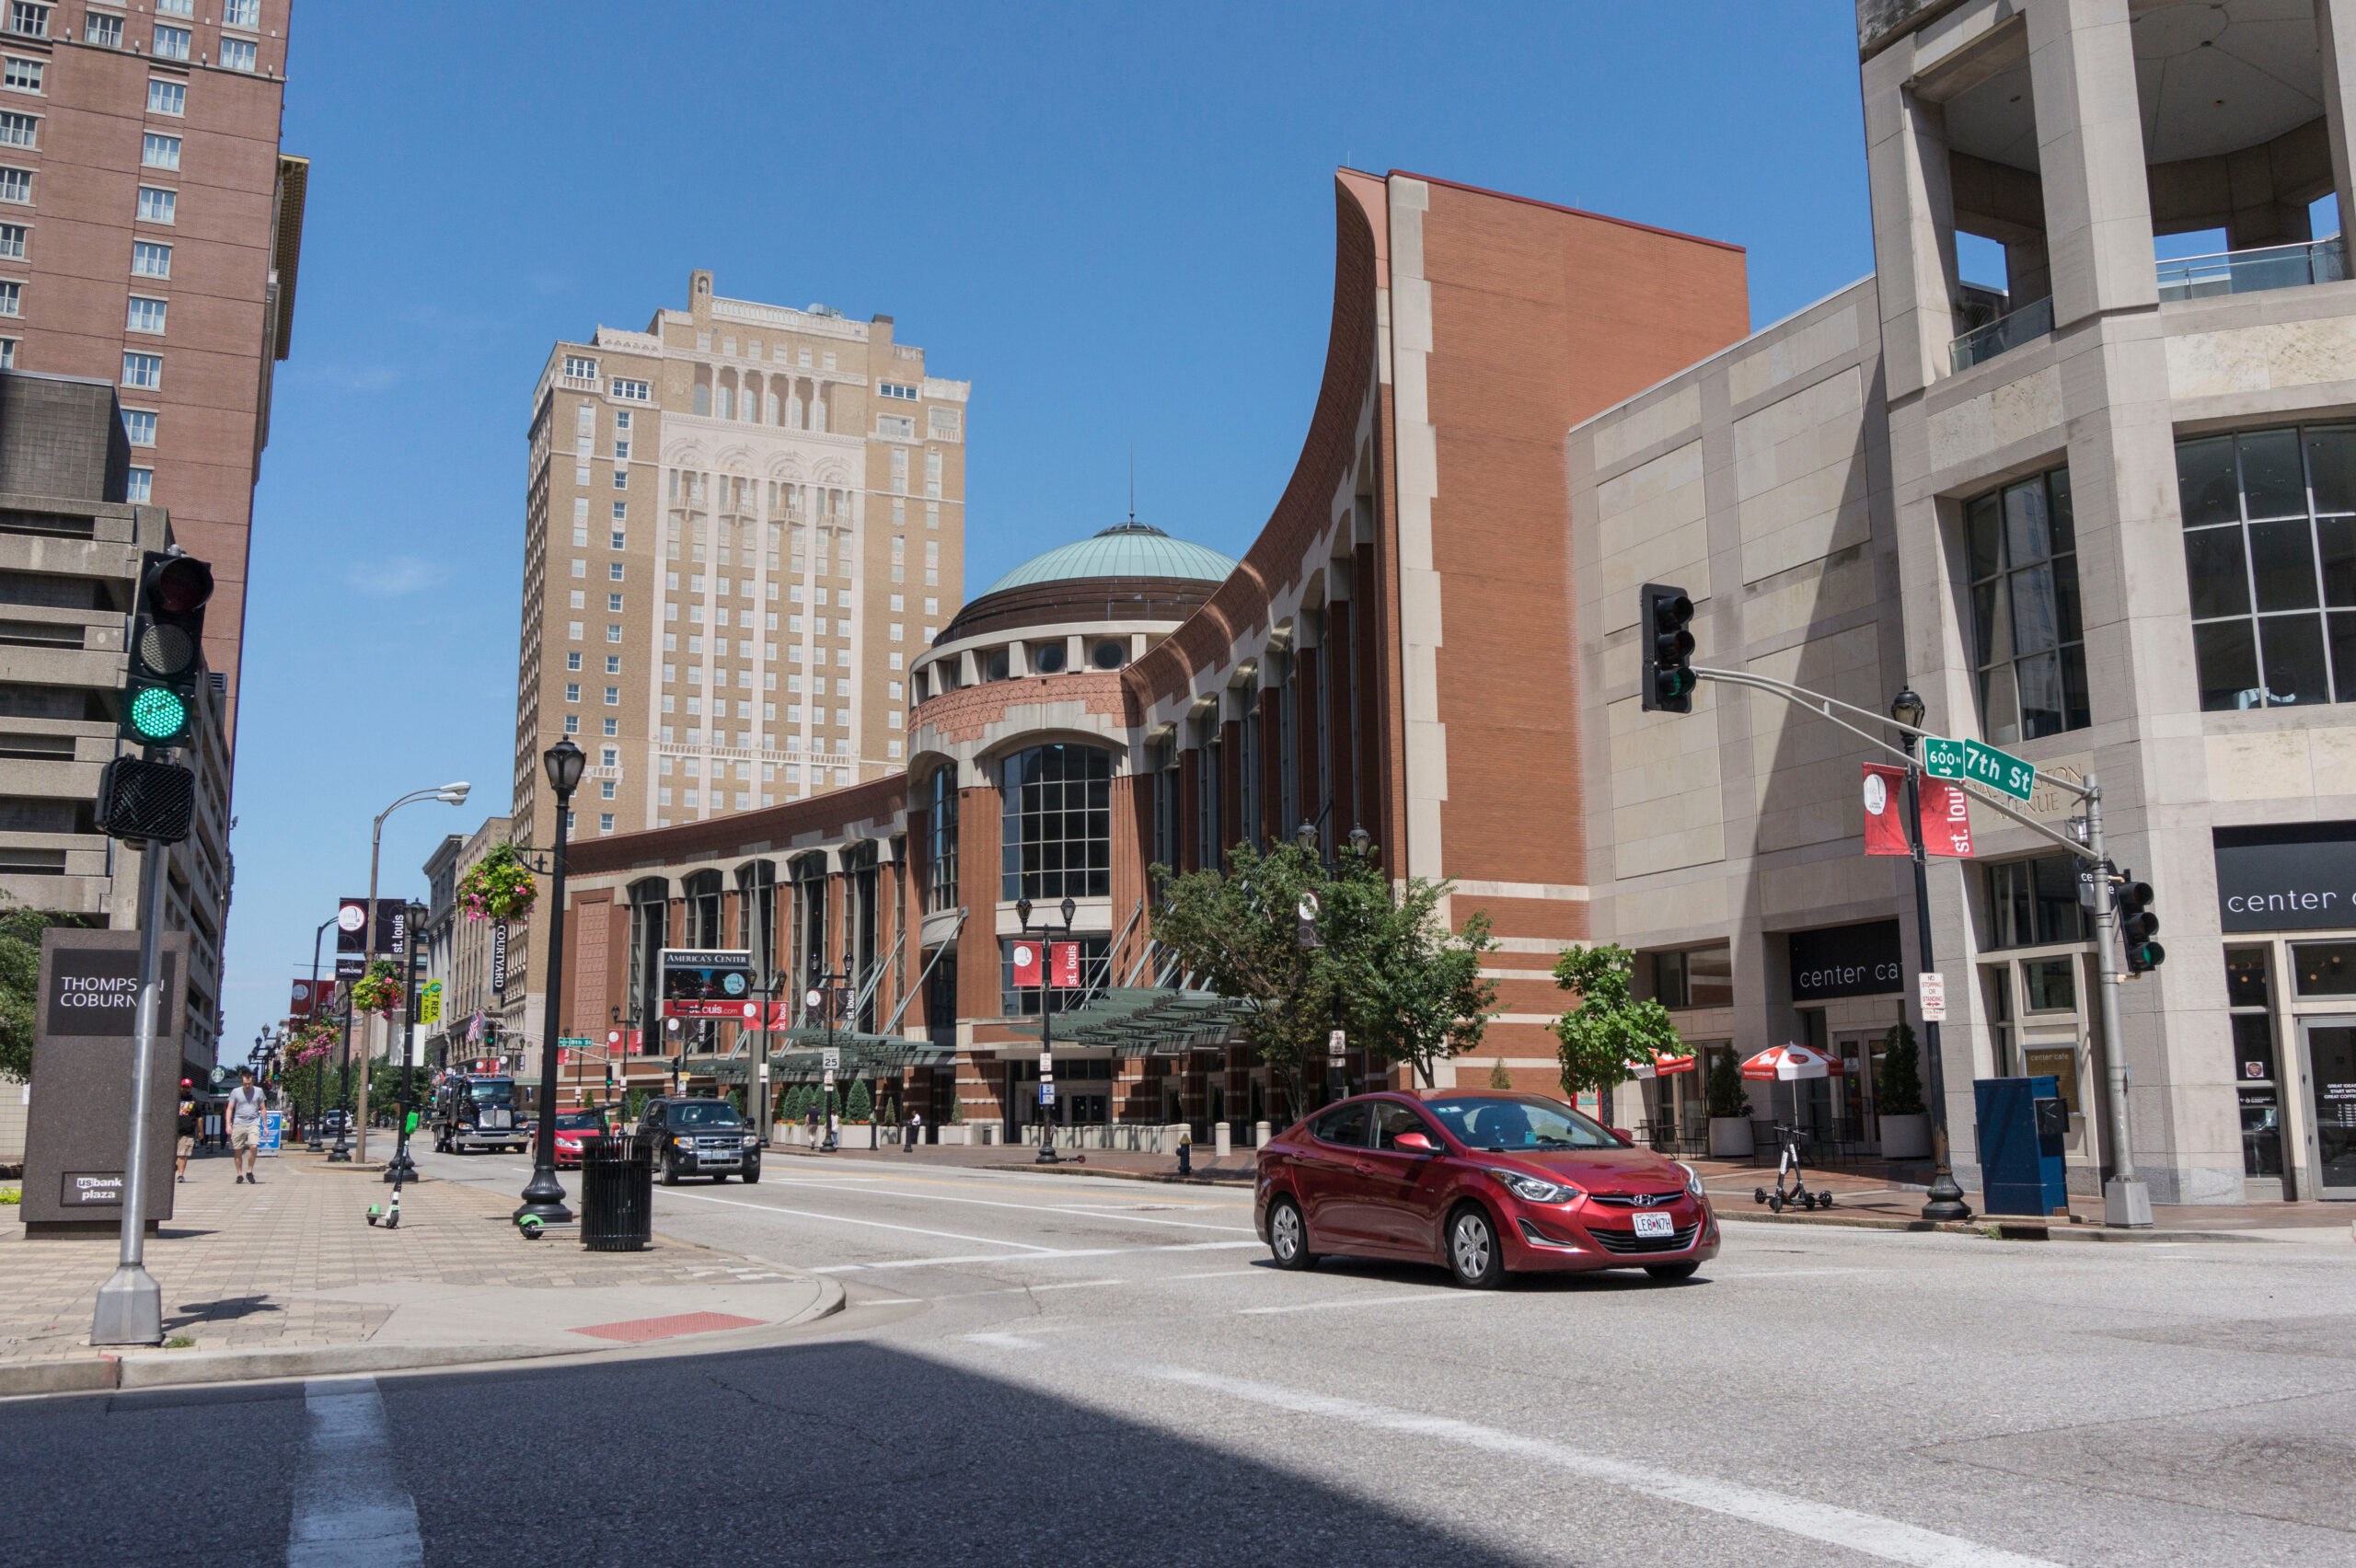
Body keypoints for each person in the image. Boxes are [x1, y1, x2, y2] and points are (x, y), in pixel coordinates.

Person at [225, 1067, 266, 1183]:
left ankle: (249, 1171)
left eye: (249, 1083)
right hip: (239, 1123)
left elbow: (263, 1108)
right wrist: (228, 1124)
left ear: (252, 1081)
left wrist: (265, 1125)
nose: (247, 1086)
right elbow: (229, 1109)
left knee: (254, 1146)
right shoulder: (235, 1092)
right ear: (242, 1082)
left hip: (253, 1122)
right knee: (238, 1149)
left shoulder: (259, 1091)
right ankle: (239, 1174)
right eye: (245, 1084)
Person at [174, 1080, 199, 1182]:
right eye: (184, 1087)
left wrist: (201, 1131)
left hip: (187, 1132)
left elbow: (199, 1117)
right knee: (175, 1154)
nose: (185, 1089)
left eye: (188, 1087)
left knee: (182, 1154)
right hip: (174, 1131)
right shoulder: (175, 1099)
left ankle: (180, 1175)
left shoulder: (194, 1101)